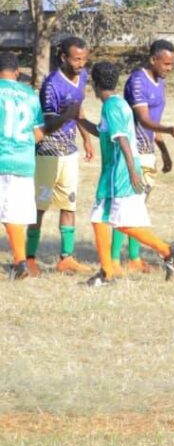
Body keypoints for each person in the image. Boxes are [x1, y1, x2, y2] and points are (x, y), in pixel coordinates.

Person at [79, 62, 174, 286]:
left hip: (120, 171)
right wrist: (78, 119)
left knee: (111, 221)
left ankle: (165, 251)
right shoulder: (117, 103)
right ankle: (108, 271)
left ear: (95, 84)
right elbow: (102, 132)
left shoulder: (112, 106)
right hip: (116, 171)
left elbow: (122, 138)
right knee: (105, 220)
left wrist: (133, 171)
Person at [115, 39, 174, 274]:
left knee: (137, 207)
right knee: (125, 206)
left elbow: (154, 122)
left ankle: (134, 258)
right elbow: (144, 119)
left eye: (172, 64)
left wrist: (164, 151)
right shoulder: (138, 81)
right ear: (153, 59)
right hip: (133, 152)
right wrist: (171, 129)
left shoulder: (160, 82)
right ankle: (114, 260)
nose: (169, 68)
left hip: (148, 152)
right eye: (166, 63)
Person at [0, 52, 75, 280]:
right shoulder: (30, 95)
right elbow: (38, 134)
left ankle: (20, 262)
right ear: (17, 72)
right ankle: (20, 262)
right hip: (23, 162)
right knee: (13, 214)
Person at [27, 36, 95, 276]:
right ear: (63, 57)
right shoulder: (51, 85)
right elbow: (48, 124)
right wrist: (67, 115)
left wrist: (86, 137)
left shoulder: (82, 76)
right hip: (47, 152)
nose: (81, 64)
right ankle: (29, 258)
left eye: (84, 59)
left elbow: (79, 108)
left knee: (69, 204)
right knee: (39, 207)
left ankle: (66, 258)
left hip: (69, 153)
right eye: (76, 59)